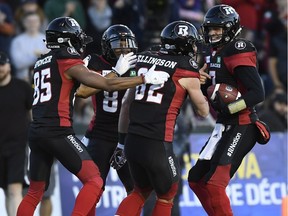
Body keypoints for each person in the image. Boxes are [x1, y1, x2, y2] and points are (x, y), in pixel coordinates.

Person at [16, 16, 169, 216]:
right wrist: (137, 77)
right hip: (70, 131)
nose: (123, 50)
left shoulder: (41, 62)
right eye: (118, 45)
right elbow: (87, 90)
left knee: (34, 191)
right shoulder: (74, 59)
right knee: (95, 181)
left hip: (40, 131)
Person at [113, 20, 209, 216]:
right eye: (191, 44)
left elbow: (126, 105)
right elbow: (203, 111)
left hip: (132, 140)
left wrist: (122, 143)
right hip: (157, 143)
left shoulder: (145, 58)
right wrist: (200, 87)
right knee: (167, 194)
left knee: (140, 191)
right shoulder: (187, 69)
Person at [187, 4, 270, 216]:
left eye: (218, 29)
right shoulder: (214, 53)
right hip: (224, 125)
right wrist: (201, 81)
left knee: (215, 185)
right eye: (211, 28)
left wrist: (232, 107)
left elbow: (257, 94)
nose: (213, 33)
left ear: (231, 29)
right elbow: (214, 90)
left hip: (243, 125)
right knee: (196, 180)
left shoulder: (237, 48)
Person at [76, 24, 137, 199]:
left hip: (126, 136)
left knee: (136, 189)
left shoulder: (138, 63)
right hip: (100, 134)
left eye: (127, 43)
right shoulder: (94, 62)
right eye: (119, 43)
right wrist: (116, 73)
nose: (124, 48)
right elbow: (82, 91)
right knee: (94, 187)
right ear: (108, 45)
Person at [0, 52, 33, 216]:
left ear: (8, 65)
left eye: (2, 64)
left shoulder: (22, 87)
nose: (0, 68)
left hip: (18, 147)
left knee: (14, 189)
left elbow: (33, 112)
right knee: (7, 191)